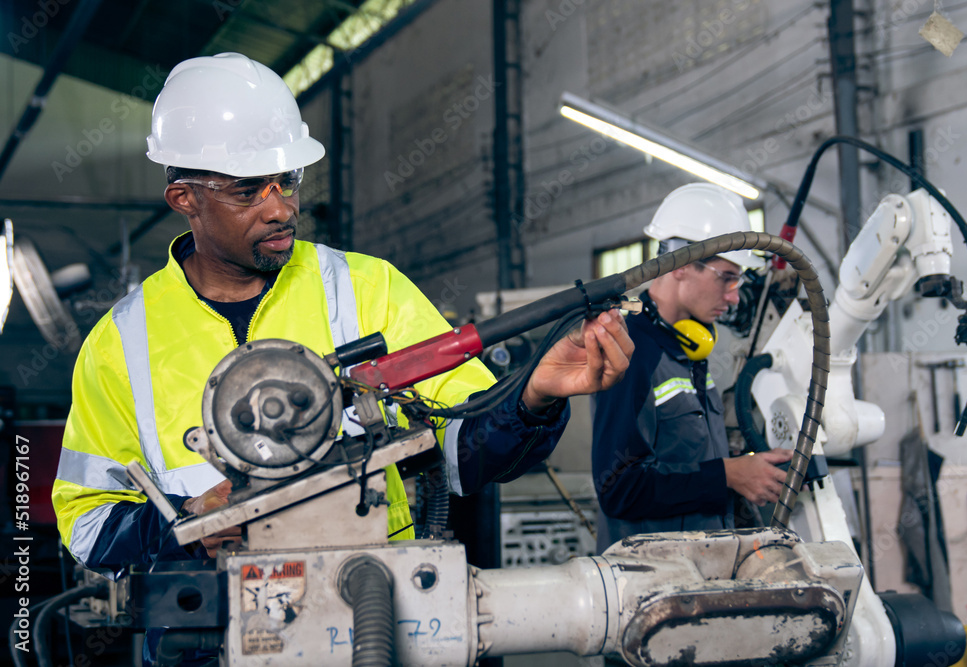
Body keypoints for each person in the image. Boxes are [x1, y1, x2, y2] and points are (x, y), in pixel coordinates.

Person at [52, 53, 633, 574]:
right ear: (186, 199)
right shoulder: (120, 342)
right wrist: (187, 523)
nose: (281, 208)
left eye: (289, 181)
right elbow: (86, 526)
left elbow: (465, 450)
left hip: (373, 608)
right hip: (207, 634)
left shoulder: (366, 288)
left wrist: (535, 397)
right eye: (250, 189)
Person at [591, 183, 792, 552]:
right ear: (680, 264)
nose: (734, 296)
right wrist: (728, 475)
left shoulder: (691, 345)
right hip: (649, 583)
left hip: (702, 574)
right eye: (727, 277)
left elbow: (687, 462)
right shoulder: (630, 349)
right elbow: (617, 489)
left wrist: (753, 473)